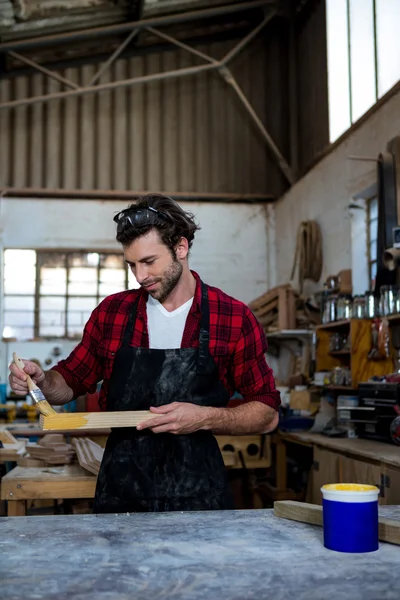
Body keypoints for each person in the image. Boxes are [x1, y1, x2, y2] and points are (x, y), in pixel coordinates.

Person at [9, 194, 280, 513]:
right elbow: (68, 381)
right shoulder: (113, 313)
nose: (140, 276)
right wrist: (41, 380)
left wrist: (206, 417)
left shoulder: (232, 317)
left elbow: (267, 413)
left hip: (200, 497)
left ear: (181, 247)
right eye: (132, 264)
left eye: (149, 262)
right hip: (121, 492)